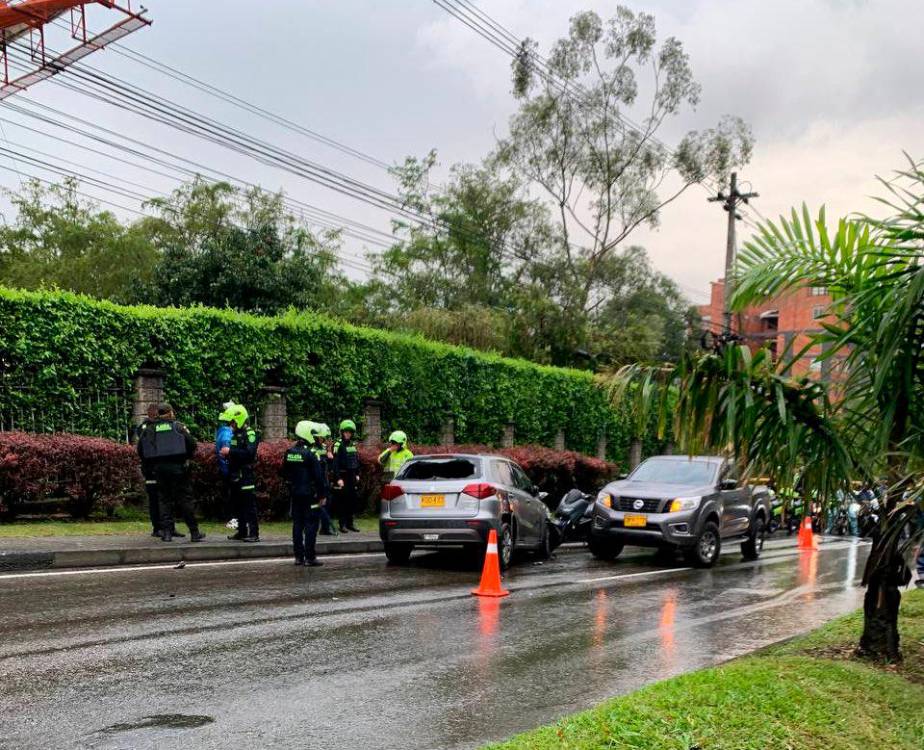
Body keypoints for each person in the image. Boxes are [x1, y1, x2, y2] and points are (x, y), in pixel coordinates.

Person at [137, 403, 203, 543]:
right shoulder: (178, 426)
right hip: (179, 468)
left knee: (164, 501)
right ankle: (194, 532)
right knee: (185, 499)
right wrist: (185, 457)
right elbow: (192, 444)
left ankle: (167, 534)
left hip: (160, 470)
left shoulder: (151, 428)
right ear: (170, 412)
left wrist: (153, 464)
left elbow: (141, 449)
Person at [282, 421, 328, 566]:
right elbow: (319, 477)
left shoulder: (289, 452)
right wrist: (322, 495)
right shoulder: (311, 454)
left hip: (295, 494)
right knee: (311, 525)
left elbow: (284, 473)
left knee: (297, 525)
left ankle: (298, 557)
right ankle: (310, 557)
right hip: (310, 495)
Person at [222, 404, 261, 542]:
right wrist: (227, 454)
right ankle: (242, 531)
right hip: (234, 474)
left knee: (249, 505)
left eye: (232, 422)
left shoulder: (250, 434)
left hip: (245, 474)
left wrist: (230, 452)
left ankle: (254, 534)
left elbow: (249, 454)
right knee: (237, 504)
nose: (230, 425)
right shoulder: (235, 434)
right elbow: (236, 453)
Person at [332, 418, 361, 533]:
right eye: (346, 432)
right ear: (342, 432)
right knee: (342, 502)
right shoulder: (337, 444)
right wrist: (338, 478)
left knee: (352, 501)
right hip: (342, 476)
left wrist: (357, 474)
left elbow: (356, 460)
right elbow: (335, 464)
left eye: (350, 432)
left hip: (352, 476)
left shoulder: (353, 445)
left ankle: (350, 524)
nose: (348, 434)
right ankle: (342, 524)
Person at [310, 422, 337, 536]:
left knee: (327, 504)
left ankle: (325, 529)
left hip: (324, 480)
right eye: (321, 437)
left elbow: (330, 466)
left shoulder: (326, 448)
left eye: (324, 438)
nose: (323, 440)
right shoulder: (311, 449)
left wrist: (330, 454)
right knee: (316, 506)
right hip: (315, 481)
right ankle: (313, 528)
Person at [215, 404, 235, 531]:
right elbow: (226, 452)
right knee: (232, 496)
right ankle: (232, 520)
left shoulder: (223, 431)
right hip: (229, 470)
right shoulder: (227, 434)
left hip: (225, 469)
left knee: (230, 495)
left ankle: (231, 518)